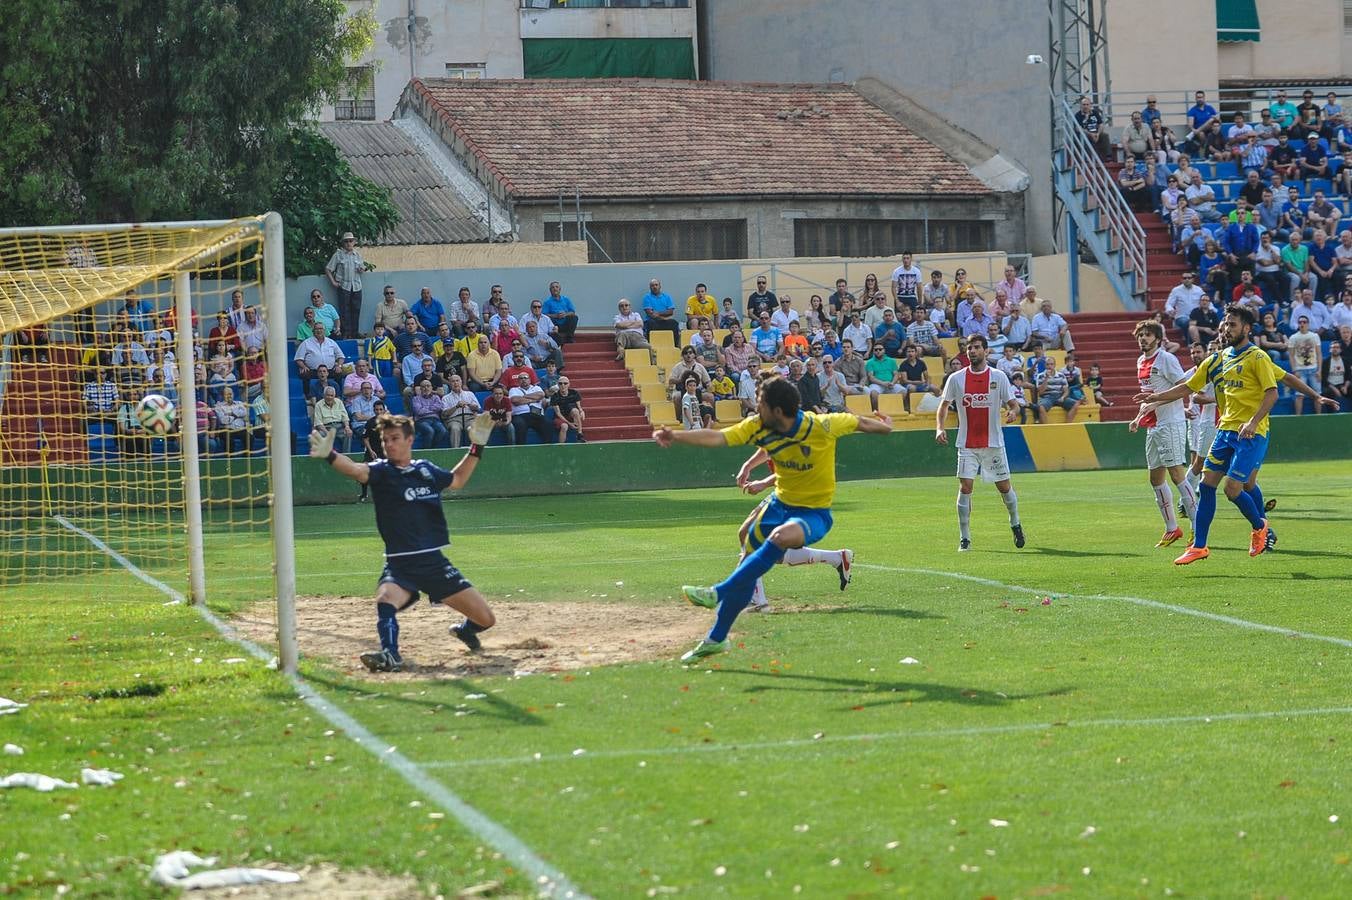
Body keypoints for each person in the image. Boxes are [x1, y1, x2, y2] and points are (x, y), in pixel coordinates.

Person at [654, 377, 892, 662]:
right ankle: (716, 639)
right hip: (778, 506)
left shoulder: (822, 425)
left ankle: (719, 592)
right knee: (748, 568)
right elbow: (719, 437)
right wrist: (676, 436)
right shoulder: (759, 427)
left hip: (813, 513)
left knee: (780, 538)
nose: (757, 407)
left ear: (777, 410)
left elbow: (862, 423)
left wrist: (886, 426)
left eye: (761, 403)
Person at [310, 408, 497, 671]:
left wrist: (477, 445)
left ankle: (465, 631)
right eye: (385, 440)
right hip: (400, 565)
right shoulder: (381, 472)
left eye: (394, 438)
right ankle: (390, 655)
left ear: (410, 440)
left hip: (435, 564)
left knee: (487, 620)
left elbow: (457, 480)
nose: (388, 444)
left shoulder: (425, 470)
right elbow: (354, 470)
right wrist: (330, 455)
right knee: (385, 599)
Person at [1134, 306, 1323, 565]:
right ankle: (1199, 546)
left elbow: (1275, 389)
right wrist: (1155, 397)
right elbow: (1187, 387)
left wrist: (1257, 421)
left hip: (1252, 434)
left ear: (1246, 328)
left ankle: (1260, 526)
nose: (1225, 328)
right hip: (1225, 431)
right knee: (1205, 484)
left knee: (1235, 488)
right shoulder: (1217, 359)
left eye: (1232, 324)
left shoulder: (1257, 358)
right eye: (1224, 324)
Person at [934, 334, 1024, 552]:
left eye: (976, 347)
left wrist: (1013, 412)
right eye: (969, 348)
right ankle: (965, 538)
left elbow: (1015, 404)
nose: (971, 351)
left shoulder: (998, 376)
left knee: (1004, 487)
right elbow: (944, 405)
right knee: (965, 486)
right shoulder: (956, 378)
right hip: (966, 444)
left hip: (993, 443)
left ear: (986, 350)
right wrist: (939, 427)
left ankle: (1015, 522)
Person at [1128, 321, 1198, 548]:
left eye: (1148, 335)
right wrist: (1138, 417)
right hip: (1153, 425)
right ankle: (1172, 528)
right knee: (1155, 479)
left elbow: (1184, 387)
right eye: (1140, 335)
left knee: (1177, 475)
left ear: (1158, 338)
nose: (1143, 339)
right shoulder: (1140, 361)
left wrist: (1156, 400)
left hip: (1171, 424)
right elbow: (1148, 395)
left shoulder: (1167, 359)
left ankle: (1198, 528)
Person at [324, 232, 365, 337]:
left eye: (350, 241)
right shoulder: (338, 255)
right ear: (343, 243)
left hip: (356, 286)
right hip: (343, 286)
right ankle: (346, 332)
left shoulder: (358, 254)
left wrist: (361, 269)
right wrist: (333, 282)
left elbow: (362, 268)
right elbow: (328, 269)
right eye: (346, 241)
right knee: (344, 310)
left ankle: (355, 332)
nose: (348, 243)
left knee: (356, 310)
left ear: (354, 242)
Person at [312, 384, 354, 453]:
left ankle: (346, 455)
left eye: (331, 395)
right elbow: (318, 422)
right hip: (326, 427)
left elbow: (345, 416)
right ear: (324, 395)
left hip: (339, 427)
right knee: (320, 435)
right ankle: (325, 456)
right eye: (327, 395)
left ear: (334, 396)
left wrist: (347, 427)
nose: (329, 397)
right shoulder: (318, 405)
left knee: (348, 433)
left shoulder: (339, 402)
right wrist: (327, 432)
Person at [642, 278, 679, 343]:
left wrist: (658, 313)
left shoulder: (667, 297)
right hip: (653, 321)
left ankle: (675, 346)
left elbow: (671, 311)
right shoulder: (647, 297)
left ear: (660, 286)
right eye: (652, 285)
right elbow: (650, 314)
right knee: (651, 323)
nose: (654, 287)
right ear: (650, 287)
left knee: (674, 323)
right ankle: (651, 346)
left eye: (656, 285)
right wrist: (664, 317)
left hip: (665, 321)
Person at [550, 376, 586, 443]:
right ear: (558, 385)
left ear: (569, 384)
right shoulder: (555, 396)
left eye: (565, 383)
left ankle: (579, 434)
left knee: (575, 411)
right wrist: (569, 424)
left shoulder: (574, 393)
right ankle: (561, 446)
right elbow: (558, 413)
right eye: (560, 383)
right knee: (564, 426)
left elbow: (579, 406)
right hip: (560, 417)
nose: (563, 385)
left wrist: (582, 411)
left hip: (571, 414)